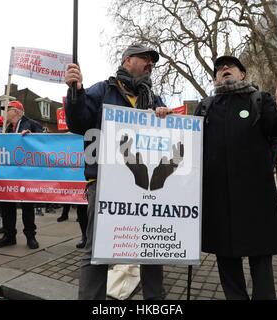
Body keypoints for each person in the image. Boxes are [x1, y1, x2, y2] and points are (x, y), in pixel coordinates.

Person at [65, 44, 172, 300]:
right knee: (97, 250)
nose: (150, 65)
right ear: (127, 61)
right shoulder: (102, 90)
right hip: (104, 182)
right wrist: (75, 92)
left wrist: (166, 117)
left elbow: (169, 137)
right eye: (145, 59)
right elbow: (78, 123)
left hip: (144, 185)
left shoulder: (153, 99)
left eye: (152, 62)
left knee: (152, 249)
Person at [194, 55, 277, 300]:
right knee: (226, 259)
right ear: (216, 78)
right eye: (219, 69)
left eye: (230, 66)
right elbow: (188, 143)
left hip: (255, 196)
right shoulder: (206, 106)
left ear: (242, 74)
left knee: (260, 257)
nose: (224, 69)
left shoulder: (260, 100)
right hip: (218, 197)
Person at [0, 101, 41, 250]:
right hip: (8, 174)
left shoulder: (31, 124)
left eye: (7, 110)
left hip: (26, 173)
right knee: (6, 205)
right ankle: (9, 235)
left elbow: (44, 143)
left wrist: (33, 137)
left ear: (17, 111)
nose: (4, 113)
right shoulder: (6, 129)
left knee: (27, 205)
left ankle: (30, 236)